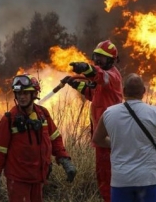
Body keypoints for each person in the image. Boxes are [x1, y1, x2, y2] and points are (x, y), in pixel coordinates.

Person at [92, 73, 156, 202]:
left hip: (121, 181)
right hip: (149, 179)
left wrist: (118, 143)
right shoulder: (155, 112)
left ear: (124, 91)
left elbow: (97, 140)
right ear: (143, 91)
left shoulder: (109, 113)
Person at [0, 73, 77, 202]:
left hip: (38, 178)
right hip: (18, 180)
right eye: (18, 93)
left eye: (25, 93)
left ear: (34, 94)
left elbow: (55, 139)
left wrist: (65, 161)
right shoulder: (9, 119)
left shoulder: (43, 114)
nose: (21, 97)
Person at [62, 40, 123, 202]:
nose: (97, 60)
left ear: (111, 60)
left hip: (110, 137)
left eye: (101, 58)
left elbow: (100, 76)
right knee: (103, 176)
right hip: (102, 136)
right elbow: (94, 95)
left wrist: (86, 69)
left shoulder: (112, 76)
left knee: (108, 177)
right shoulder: (102, 78)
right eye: (96, 56)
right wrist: (76, 85)